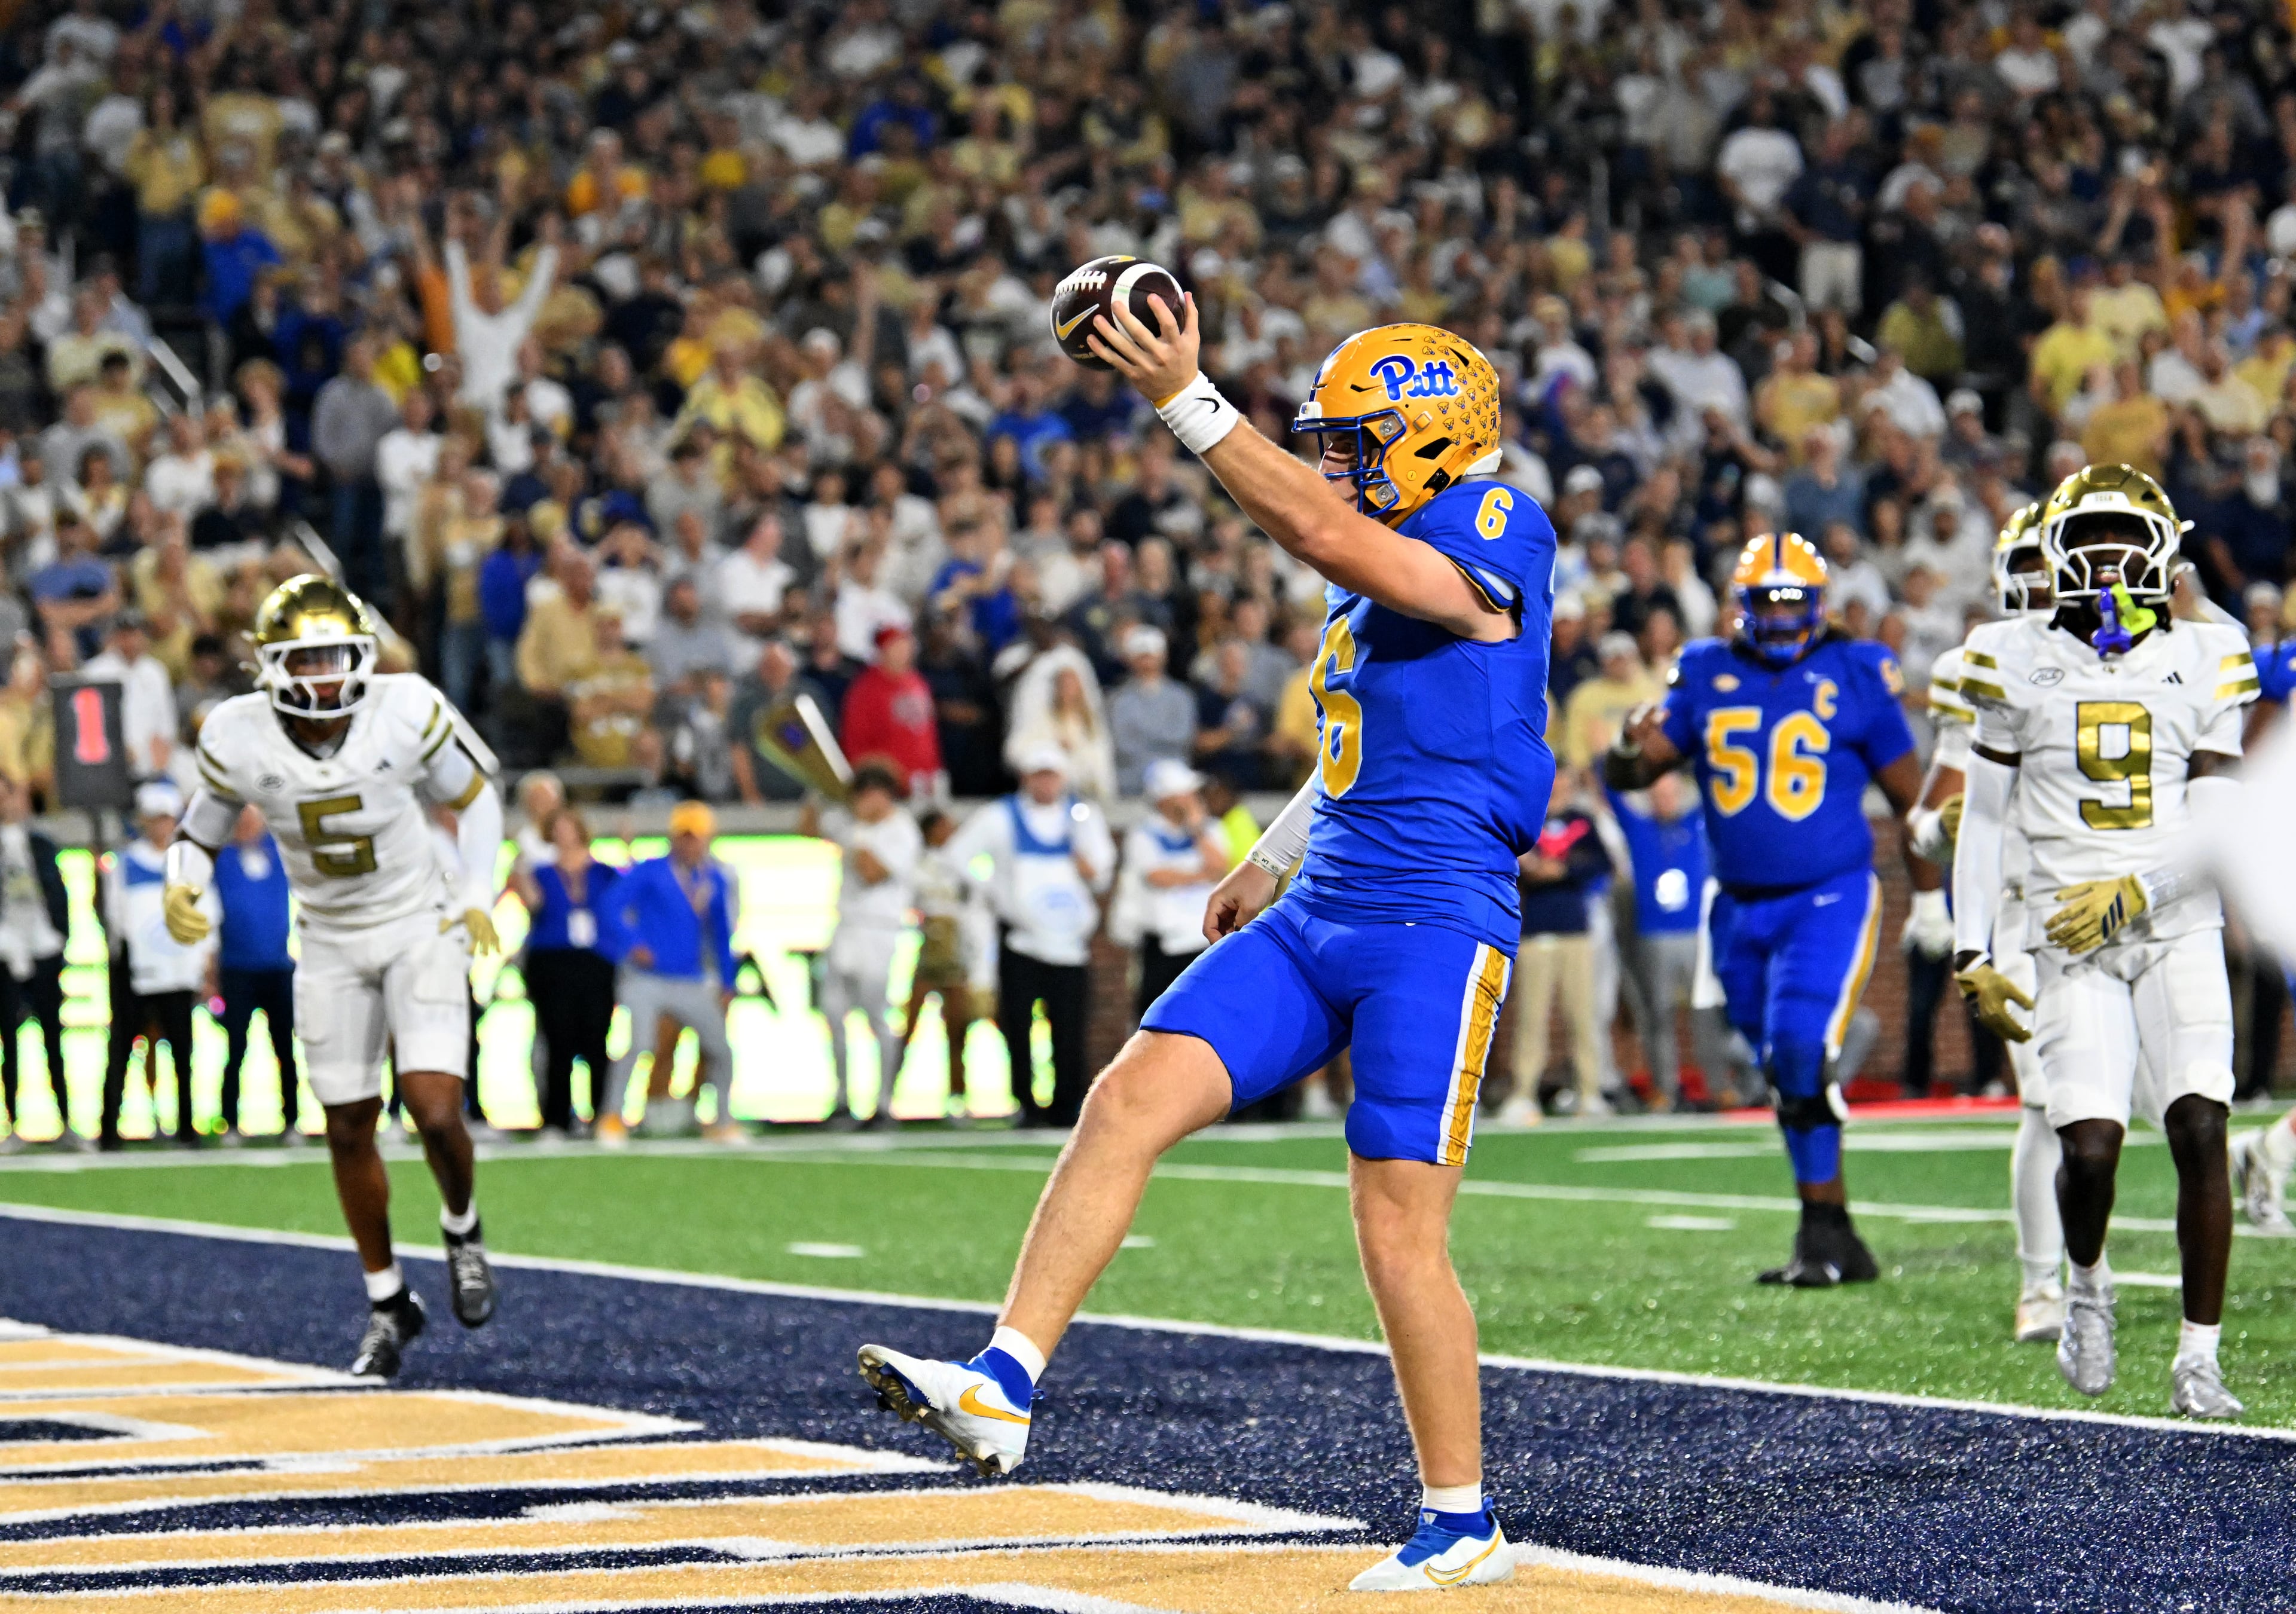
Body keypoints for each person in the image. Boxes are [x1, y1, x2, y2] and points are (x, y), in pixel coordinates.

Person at [862, 311, 1553, 1592]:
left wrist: (1187, 398)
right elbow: (1373, 732)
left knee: (1396, 1229)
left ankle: (1461, 1518)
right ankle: (1003, 1381)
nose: (1339, 466)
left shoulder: (1498, 522)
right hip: (1324, 905)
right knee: (1126, 1097)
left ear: (1432, 445)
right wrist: (1273, 858)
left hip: (1434, 923)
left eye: (1358, 444)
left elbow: (1316, 527)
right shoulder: (1370, 563)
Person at [1949, 464, 2257, 1419]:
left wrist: (2142, 889)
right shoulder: (2008, 653)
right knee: (2085, 1148)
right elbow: (1986, 818)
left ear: (2166, 553)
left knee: (2201, 1123)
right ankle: (2085, 1290)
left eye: (2129, 544)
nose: (2110, 565)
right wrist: (1971, 950)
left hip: (2174, 925)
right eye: (2090, 546)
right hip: (2065, 931)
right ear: (2055, 554)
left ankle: (2198, 1359)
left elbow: (2219, 825)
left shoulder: (2211, 654)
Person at [160, 575, 505, 1378]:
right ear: (272, 667)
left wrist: (480, 889)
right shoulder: (238, 733)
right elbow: (198, 831)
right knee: (348, 1122)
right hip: (325, 938)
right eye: (303, 659)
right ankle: (388, 1303)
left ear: (359, 655)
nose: (320, 677)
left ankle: (463, 1227)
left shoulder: (405, 707)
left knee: (432, 1104)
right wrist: (183, 882)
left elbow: (477, 798)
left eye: (332, 657)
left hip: (418, 920)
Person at [1609, 531, 1923, 1287]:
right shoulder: (1707, 670)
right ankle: (1832, 1235)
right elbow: (1635, 770)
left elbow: (1914, 801)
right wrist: (1628, 745)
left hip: (1829, 896)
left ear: (1820, 605)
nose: (1782, 617)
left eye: (1795, 601)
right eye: (1767, 601)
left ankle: (1826, 1230)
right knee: (1778, 1067)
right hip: (1738, 907)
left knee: (1798, 1049)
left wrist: (1939, 902)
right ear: (1739, 607)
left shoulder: (1855, 672)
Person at [1905, 505, 2066, 1344]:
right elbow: (1925, 821)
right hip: (2017, 908)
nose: (2047, 586)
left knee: (2166, 1098)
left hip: (2105, 899)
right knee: (2044, 1103)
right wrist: (1945, 833)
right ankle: (2044, 1286)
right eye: (2033, 570)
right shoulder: (1980, 663)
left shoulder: (2132, 658)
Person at [941, 745, 1113, 1128]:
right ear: (1025, 777)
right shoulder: (999, 816)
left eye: (1052, 775)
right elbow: (956, 857)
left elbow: (1101, 871)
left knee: (1070, 1029)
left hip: (1070, 944)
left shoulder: (1082, 818)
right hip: (1022, 941)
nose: (1046, 783)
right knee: (1017, 1027)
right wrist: (992, 892)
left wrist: (1087, 866)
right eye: (1038, 775)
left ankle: (1069, 1104)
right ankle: (1027, 1105)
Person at [597, 800, 740, 1144]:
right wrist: (633, 943)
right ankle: (612, 1117)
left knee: (720, 1050)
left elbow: (721, 933)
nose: (691, 844)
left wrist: (728, 979)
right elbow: (611, 905)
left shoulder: (713, 879)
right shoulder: (651, 871)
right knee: (638, 1045)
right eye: (685, 836)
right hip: (647, 978)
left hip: (689, 979)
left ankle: (722, 1120)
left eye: (697, 837)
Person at [807, 763, 922, 1127]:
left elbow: (872, 872)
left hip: (881, 931)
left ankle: (884, 1102)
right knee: (832, 1013)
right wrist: (816, 787)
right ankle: (842, 1098)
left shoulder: (901, 829)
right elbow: (807, 828)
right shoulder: (848, 819)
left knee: (878, 1017)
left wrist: (856, 830)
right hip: (846, 926)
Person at [102, 781, 215, 1149]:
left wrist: (203, 965)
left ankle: (187, 1128)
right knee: (121, 1051)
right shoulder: (125, 862)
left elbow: (209, 918)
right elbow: (115, 917)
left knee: (183, 1053)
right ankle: (110, 1132)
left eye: (166, 819)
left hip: (179, 973)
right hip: (136, 972)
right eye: (154, 820)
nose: (160, 827)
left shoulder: (190, 864)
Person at [1497, 781, 1614, 1122]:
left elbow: (1602, 863)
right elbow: (1505, 857)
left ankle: (1590, 1091)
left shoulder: (1582, 821)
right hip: (1535, 929)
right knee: (1532, 1018)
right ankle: (1523, 1093)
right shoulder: (1525, 818)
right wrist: (1530, 868)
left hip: (1575, 931)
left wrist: (1563, 869)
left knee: (1582, 1016)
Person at [1608, 771, 1712, 1112]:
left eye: (1671, 794)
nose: (1665, 801)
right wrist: (1602, 756)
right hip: (1655, 936)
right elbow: (1612, 793)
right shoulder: (1640, 829)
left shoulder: (1696, 825)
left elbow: (1715, 788)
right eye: (1659, 794)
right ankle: (1665, 1089)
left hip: (1696, 933)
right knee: (1659, 1016)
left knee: (1706, 1014)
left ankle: (1717, 1086)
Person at [512, 806, 619, 1138]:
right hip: (552, 959)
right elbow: (534, 904)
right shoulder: (541, 872)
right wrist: (518, 869)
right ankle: (556, 1119)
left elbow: (621, 910)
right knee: (557, 1039)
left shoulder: (604, 874)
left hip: (594, 960)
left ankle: (602, 1115)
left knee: (596, 1038)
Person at [213, 802, 301, 1145]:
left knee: (285, 1048)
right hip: (236, 968)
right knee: (235, 1048)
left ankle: (291, 1120)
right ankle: (230, 1123)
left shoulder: (281, 857)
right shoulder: (221, 860)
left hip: (279, 967)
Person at [895, 806, 985, 1124]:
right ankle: (888, 1097)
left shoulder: (961, 866)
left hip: (954, 951)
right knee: (909, 1026)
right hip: (926, 950)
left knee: (958, 1028)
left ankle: (958, 1098)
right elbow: (906, 904)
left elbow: (974, 906)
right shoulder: (915, 864)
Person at [1119, 759, 1229, 1016]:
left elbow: (1219, 867)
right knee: (1158, 1017)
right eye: (1185, 793)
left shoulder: (1211, 829)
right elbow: (1158, 876)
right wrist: (1202, 875)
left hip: (1202, 943)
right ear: (1164, 799)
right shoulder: (1143, 834)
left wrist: (1197, 829)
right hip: (1163, 947)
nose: (1193, 798)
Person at [0, 776, 70, 1150]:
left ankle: (67, 1122)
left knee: (52, 1038)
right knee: (8, 1041)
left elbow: (58, 894)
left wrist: (60, 938)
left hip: (42, 948)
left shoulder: (41, 845)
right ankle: (12, 1123)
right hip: (6, 953)